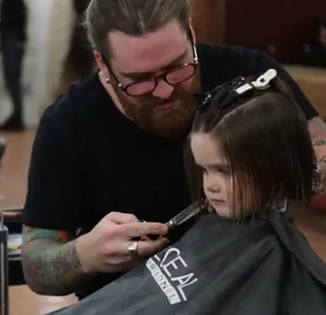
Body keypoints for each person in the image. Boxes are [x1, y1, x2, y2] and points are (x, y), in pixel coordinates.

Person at [20, 0, 326, 300]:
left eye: (177, 68)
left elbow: (318, 153)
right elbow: (37, 266)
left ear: (191, 34)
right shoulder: (68, 125)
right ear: (104, 64)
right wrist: (87, 254)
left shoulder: (249, 76)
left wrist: (298, 166)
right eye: (140, 80)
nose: (164, 91)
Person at [48, 71, 326, 315]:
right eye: (205, 170)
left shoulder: (285, 267)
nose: (210, 185)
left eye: (224, 171)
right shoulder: (210, 226)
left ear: (272, 164)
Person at [0, 0, 27, 131]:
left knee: (13, 80)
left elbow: (13, 19)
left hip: (12, 43)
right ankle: (16, 116)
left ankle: (17, 118)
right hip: (11, 42)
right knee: (12, 81)